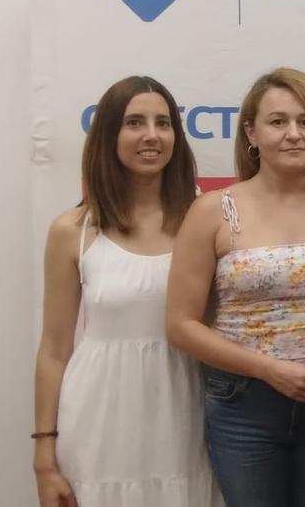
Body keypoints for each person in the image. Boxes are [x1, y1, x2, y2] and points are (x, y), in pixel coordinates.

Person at [167, 67, 305, 507]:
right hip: (243, 405)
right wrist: (267, 369)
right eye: (278, 122)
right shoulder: (212, 210)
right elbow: (180, 325)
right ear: (251, 132)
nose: (295, 134)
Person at [33, 76, 221, 507]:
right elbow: (54, 350)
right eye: (134, 122)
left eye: (164, 122)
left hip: (186, 413)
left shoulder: (206, 217)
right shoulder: (72, 231)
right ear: (109, 135)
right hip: (99, 421)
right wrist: (44, 454)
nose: (151, 136)